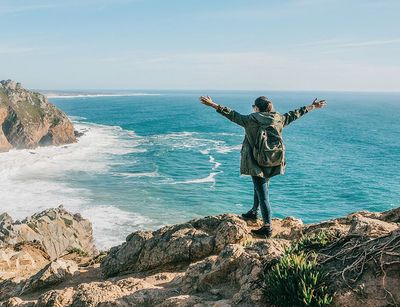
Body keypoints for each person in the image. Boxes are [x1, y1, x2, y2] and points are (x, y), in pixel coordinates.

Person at [199, 95, 326, 237]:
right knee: (259, 187)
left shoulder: (250, 120)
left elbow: (231, 114)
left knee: (263, 194)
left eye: (254, 107)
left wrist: (212, 104)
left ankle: (267, 227)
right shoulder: (279, 119)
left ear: (257, 108)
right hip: (272, 159)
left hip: (256, 161)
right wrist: (312, 106)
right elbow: (294, 114)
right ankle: (253, 211)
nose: (253, 109)